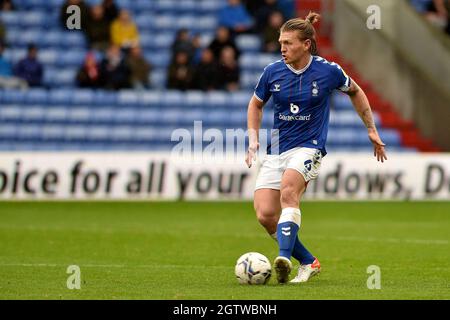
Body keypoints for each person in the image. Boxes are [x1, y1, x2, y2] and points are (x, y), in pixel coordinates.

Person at [245, 12, 387, 284]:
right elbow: (255, 104)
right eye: (280, 42)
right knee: (265, 215)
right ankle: (309, 261)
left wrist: (370, 128)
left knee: (289, 191)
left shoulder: (328, 71)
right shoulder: (272, 72)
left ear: (306, 44)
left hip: (309, 147)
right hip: (277, 150)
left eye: (287, 42)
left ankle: (284, 258)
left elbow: (356, 91)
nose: (282, 48)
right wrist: (253, 139)